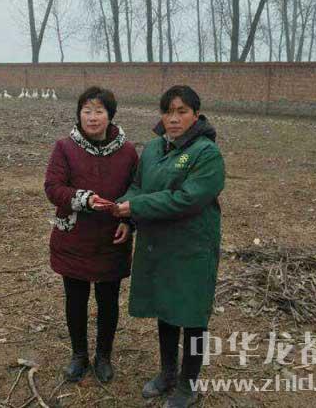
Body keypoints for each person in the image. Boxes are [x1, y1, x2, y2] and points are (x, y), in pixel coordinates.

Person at [114, 85, 225, 407]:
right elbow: (137, 186)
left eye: (181, 112)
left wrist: (136, 207)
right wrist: (125, 212)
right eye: (167, 112)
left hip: (192, 247)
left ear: (196, 114)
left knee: (192, 314)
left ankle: (188, 386)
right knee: (166, 307)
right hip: (158, 244)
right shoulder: (153, 148)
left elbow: (187, 199)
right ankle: (167, 374)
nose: (173, 119)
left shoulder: (206, 153)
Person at [44, 86, 138, 383]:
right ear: (79, 114)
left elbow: (136, 189)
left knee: (108, 300)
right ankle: (79, 355)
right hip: (74, 237)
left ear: (110, 116)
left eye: (99, 111)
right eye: (87, 111)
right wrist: (83, 199)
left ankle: (104, 356)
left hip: (112, 237)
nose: (92, 117)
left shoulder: (128, 152)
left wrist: (130, 221)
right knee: (76, 299)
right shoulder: (64, 147)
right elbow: (53, 187)